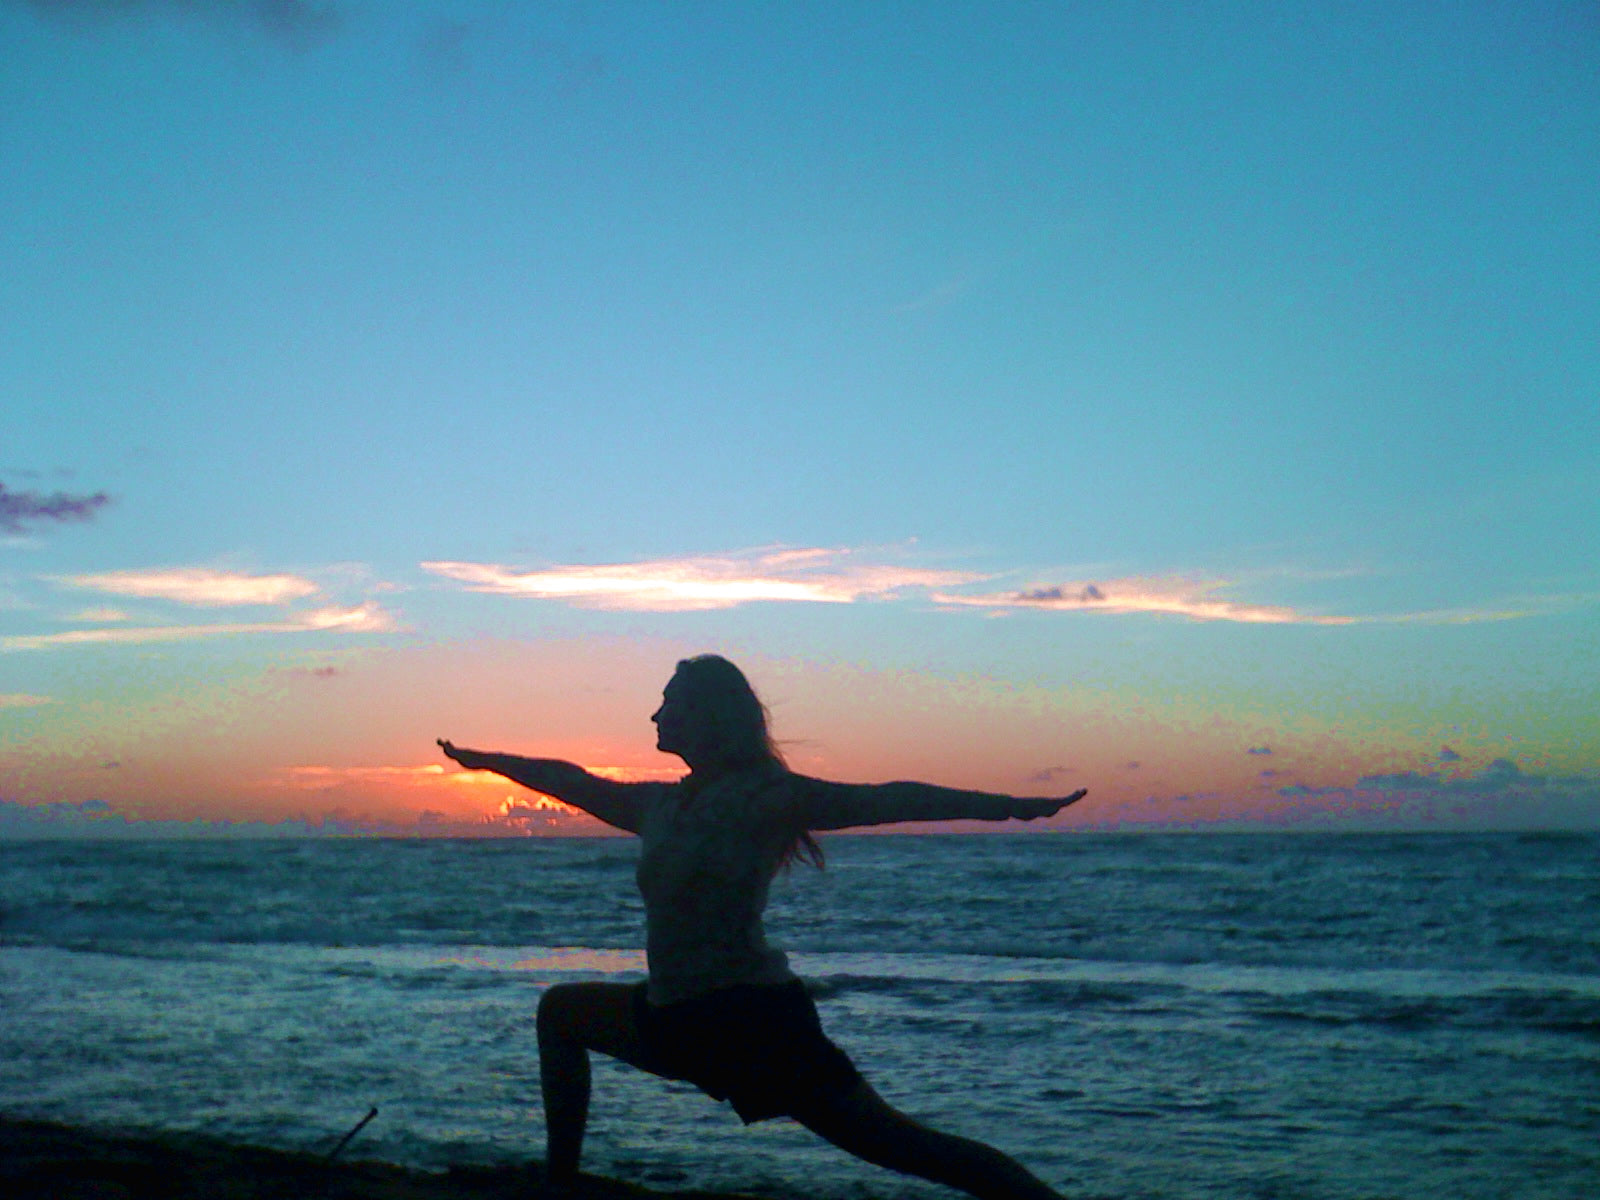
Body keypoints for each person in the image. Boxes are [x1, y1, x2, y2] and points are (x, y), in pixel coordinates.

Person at [438, 654, 1086, 1199]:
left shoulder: (767, 796)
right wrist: (485, 761)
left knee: (902, 1145)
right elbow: (569, 780)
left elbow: (887, 798)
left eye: (670, 703)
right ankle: (561, 1184)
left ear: (710, 716)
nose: (656, 716)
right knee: (561, 1013)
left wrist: (1009, 809)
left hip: (751, 1021)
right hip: (678, 1017)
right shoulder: (660, 804)